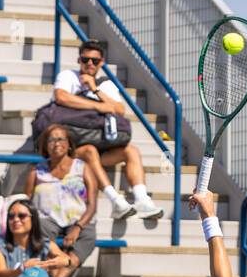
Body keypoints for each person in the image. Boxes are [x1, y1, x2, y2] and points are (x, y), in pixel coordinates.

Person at [51, 40, 163, 221]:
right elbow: (61, 97)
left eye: (94, 61)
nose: (89, 64)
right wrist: (100, 107)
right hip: (70, 150)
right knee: (89, 150)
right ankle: (116, 201)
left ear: (101, 62)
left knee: (131, 151)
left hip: (99, 145)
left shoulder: (106, 85)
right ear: (79, 60)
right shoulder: (68, 76)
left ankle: (142, 200)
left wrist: (94, 90)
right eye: (85, 59)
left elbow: (119, 110)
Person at [27, 125, 99, 277]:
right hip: (47, 220)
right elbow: (26, 200)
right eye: (51, 140)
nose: (56, 143)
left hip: (79, 219)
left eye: (60, 139)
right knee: (38, 230)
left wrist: (78, 227)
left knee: (88, 237)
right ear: (45, 145)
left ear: (69, 144)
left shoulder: (82, 167)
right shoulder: (37, 171)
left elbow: (93, 204)